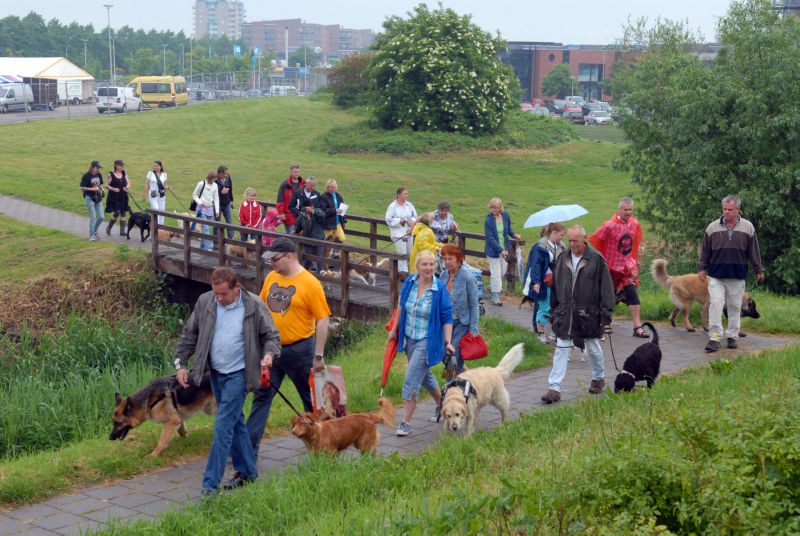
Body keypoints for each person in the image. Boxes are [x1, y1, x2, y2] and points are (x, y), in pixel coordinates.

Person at [174, 267, 281, 496]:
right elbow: (190, 333)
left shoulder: (253, 306)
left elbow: (271, 336)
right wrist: (181, 363)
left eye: (224, 294)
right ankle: (249, 472)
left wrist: (269, 355)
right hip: (216, 373)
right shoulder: (206, 302)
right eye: (216, 294)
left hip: (239, 374)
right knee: (236, 422)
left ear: (237, 288)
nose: (219, 299)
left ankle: (209, 486)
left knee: (222, 426)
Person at [248, 237, 331, 454]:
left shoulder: (310, 283)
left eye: (274, 259)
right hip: (272, 350)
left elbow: (323, 319)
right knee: (262, 395)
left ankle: (323, 444)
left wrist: (319, 355)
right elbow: (261, 306)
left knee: (310, 400)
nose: (271, 263)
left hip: (300, 350)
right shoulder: (272, 277)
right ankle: (248, 449)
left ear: (289, 256)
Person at [541, 225, 615, 404]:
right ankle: (554, 388)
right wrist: (554, 310)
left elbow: (606, 289)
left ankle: (598, 378)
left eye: (576, 241)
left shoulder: (596, 260)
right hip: (566, 313)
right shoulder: (562, 258)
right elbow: (556, 285)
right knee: (561, 348)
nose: (572, 244)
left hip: (589, 314)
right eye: (570, 240)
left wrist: (606, 316)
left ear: (585, 239)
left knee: (592, 347)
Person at [388, 250, 454, 437]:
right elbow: (401, 306)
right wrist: (394, 330)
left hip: (428, 340)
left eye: (432, 264)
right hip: (409, 338)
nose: (428, 268)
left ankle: (406, 422)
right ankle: (444, 406)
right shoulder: (410, 282)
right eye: (424, 264)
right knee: (425, 377)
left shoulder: (439, 289)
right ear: (417, 266)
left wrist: (448, 341)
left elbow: (447, 317)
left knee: (411, 378)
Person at [698, 195, 765, 353]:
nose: (726, 212)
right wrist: (702, 268)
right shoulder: (712, 227)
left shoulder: (748, 227)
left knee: (735, 306)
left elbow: (754, 250)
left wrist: (759, 269)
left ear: (738, 210)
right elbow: (705, 250)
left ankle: (732, 336)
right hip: (716, 275)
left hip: (737, 275)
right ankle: (714, 338)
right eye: (724, 209)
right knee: (716, 304)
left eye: (730, 209)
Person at [590, 197, 648, 338]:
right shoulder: (609, 226)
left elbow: (635, 242)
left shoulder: (634, 223)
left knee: (632, 293)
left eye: (630, 209)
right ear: (619, 210)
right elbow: (595, 240)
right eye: (625, 209)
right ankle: (605, 322)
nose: (628, 212)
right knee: (608, 296)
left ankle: (637, 327)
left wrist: (633, 261)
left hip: (627, 268)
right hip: (611, 268)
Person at [523, 222, 567, 343]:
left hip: (558, 282)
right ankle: (540, 334)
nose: (562, 237)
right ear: (553, 233)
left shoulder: (561, 246)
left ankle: (554, 331)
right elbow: (536, 265)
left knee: (558, 307)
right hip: (545, 282)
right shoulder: (540, 247)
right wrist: (536, 282)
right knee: (545, 307)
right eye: (561, 235)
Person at [439, 244, 479, 374]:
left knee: (452, 354)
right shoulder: (443, 276)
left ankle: (453, 387)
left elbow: (474, 305)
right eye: (444, 259)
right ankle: (463, 377)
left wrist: (473, 329)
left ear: (459, 259)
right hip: (446, 323)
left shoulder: (468, 277)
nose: (447, 262)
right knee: (442, 353)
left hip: (462, 323)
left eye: (450, 258)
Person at [484, 197, 521, 306]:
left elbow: (508, 229)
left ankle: (492, 287)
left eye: (497, 207)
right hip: (493, 251)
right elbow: (490, 238)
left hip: (505, 248)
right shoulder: (488, 220)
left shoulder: (505, 216)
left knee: (503, 272)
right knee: (495, 273)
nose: (495, 209)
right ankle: (495, 296)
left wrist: (514, 235)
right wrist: (500, 250)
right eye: (493, 207)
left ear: (501, 207)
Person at [385, 187, 417, 273]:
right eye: (404, 194)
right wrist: (400, 220)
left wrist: (412, 221)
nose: (406, 196)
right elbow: (388, 219)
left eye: (407, 194)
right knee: (402, 253)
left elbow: (415, 216)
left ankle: (410, 271)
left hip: (409, 232)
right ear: (398, 195)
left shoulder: (409, 205)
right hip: (398, 233)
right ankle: (403, 273)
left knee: (410, 253)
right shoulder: (392, 206)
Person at [295, 197, 326, 273]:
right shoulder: (302, 216)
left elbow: (322, 216)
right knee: (307, 258)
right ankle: (304, 272)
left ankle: (320, 273)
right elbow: (297, 228)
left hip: (318, 239)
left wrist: (312, 211)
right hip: (307, 240)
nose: (309, 208)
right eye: (307, 206)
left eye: (311, 206)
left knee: (319, 257)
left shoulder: (317, 212)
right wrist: (296, 231)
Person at [192, 171, 220, 251]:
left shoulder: (215, 185)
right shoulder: (201, 183)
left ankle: (203, 247)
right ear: (210, 177)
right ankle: (207, 248)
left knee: (206, 228)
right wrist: (200, 203)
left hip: (210, 208)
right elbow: (194, 195)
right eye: (214, 178)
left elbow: (216, 198)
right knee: (206, 228)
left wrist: (217, 210)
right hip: (202, 208)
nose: (215, 180)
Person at [104, 160, 131, 237]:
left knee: (123, 212)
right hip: (114, 197)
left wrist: (127, 187)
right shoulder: (111, 174)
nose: (122, 167)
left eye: (123, 166)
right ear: (116, 166)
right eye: (121, 166)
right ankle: (108, 227)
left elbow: (128, 182)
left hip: (123, 196)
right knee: (117, 212)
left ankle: (122, 231)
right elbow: (106, 185)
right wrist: (113, 189)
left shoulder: (124, 173)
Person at [80, 160, 105, 241]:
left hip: (98, 198)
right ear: (93, 167)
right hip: (89, 198)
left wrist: (102, 189)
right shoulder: (86, 176)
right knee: (93, 217)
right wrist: (92, 189)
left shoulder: (99, 174)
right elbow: (82, 188)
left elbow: (100, 184)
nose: (98, 169)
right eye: (97, 168)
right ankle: (91, 236)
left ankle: (94, 232)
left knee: (101, 217)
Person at [275, 164, 304, 234]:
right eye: (295, 172)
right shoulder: (285, 185)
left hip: (301, 215)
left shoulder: (304, 184)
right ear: (291, 173)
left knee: (301, 236)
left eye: (298, 172)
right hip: (289, 216)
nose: (297, 173)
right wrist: (281, 213)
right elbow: (280, 201)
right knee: (292, 236)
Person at [319, 178, 346, 243]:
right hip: (328, 223)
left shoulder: (338, 196)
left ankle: (335, 253)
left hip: (338, 222)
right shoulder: (323, 196)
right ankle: (328, 252)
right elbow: (323, 210)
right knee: (327, 240)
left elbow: (342, 208)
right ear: (327, 187)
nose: (331, 188)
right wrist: (335, 210)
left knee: (341, 239)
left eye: (333, 187)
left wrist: (344, 221)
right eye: (330, 187)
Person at [144, 160, 169, 225]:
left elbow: (165, 184)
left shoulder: (164, 174)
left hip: (161, 195)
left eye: (157, 166)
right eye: (154, 166)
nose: (155, 167)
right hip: (153, 195)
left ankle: (161, 227)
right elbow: (147, 184)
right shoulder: (150, 173)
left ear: (160, 167)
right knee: (156, 209)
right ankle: (155, 226)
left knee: (162, 211)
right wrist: (145, 195)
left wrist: (167, 187)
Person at [214, 165, 235, 241]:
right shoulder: (214, 180)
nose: (226, 175)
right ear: (219, 173)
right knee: (217, 223)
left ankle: (232, 242)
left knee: (229, 223)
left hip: (227, 203)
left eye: (226, 174)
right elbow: (211, 193)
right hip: (217, 205)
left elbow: (231, 189)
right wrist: (220, 192)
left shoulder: (228, 177)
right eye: (224, 174)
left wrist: (231, 200)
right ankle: (216, 242)